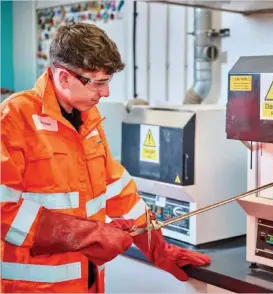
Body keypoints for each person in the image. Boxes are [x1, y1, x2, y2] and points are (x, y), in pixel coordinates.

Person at [0, 23, 210, 293]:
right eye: (97, 83)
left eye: (107, 82)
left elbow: (120, 194)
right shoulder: (14, 118)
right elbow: (4, 211)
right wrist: (88, 235)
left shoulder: (88, 121)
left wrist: (160, 250)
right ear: (64, 77)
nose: (106, 93)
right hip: (36, 286)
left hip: (88, 284)